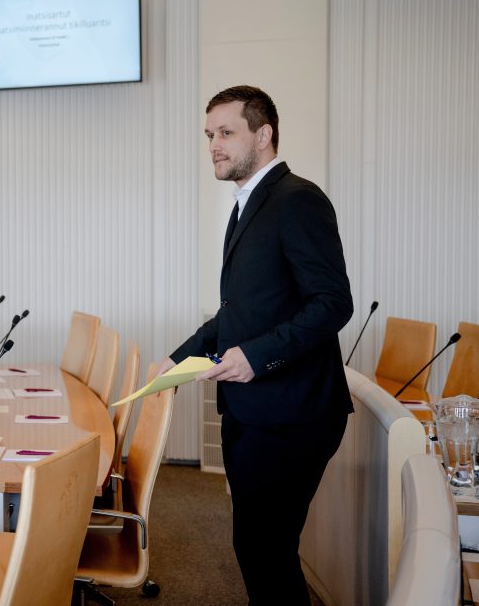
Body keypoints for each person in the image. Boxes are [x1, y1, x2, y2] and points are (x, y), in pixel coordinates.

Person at [157, 85, 353, 605]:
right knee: (257, 547)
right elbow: (238, 312)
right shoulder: (248, 205)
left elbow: (333, 303)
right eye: (209, 135)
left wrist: (256, 356)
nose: (214, 146)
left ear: (263, 135)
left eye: (226, 132)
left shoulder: (298, 199)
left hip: (292, 414)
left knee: (266, 550)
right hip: (254, 409)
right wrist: (176, 360)